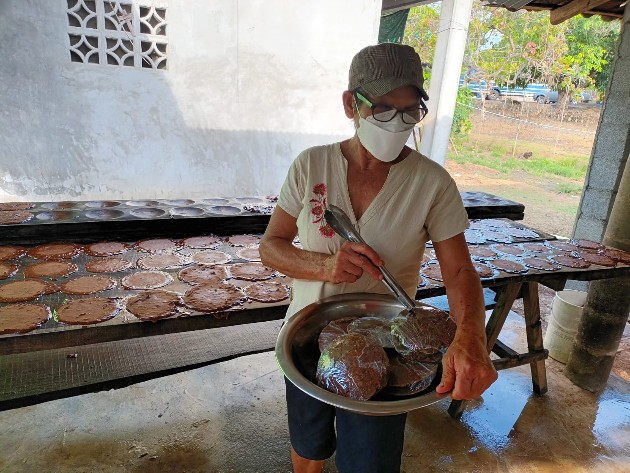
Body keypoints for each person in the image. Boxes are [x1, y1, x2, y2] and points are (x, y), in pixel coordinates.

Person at [259, 43, 498, 473]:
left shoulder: (432, 184)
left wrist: (472, 336)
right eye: (385, 109)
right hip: (306, 336)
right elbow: (270, 246)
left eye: (410, 111)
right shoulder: (311, 166)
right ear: (352, 104)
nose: (398, 123)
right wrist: (324, 266)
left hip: (388, 349)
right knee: (308, 445)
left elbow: (460, 270)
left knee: (368, 462)